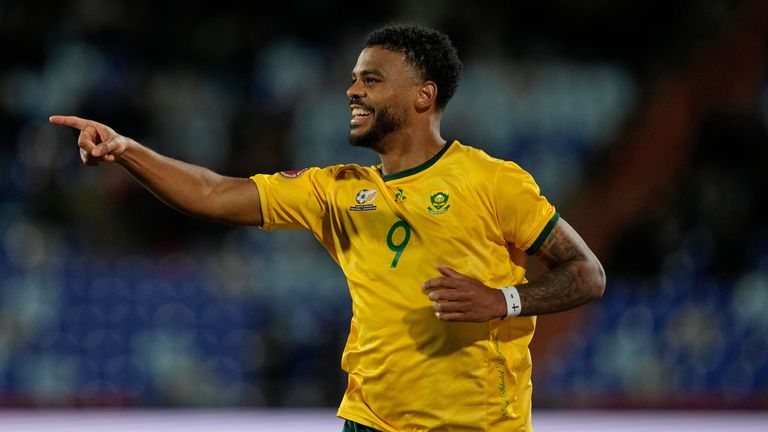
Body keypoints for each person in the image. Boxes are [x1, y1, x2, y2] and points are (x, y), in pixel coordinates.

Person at [51, 24, 605, 432]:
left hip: (476, 427)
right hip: (368, 424)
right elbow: (214, 193)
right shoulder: (335, 188)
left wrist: (502, 300)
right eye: (353, 79)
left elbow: (587, 273)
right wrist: (127, 151)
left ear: (423, 95)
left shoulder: (492, 181)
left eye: (371, 79)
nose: (352, 91)